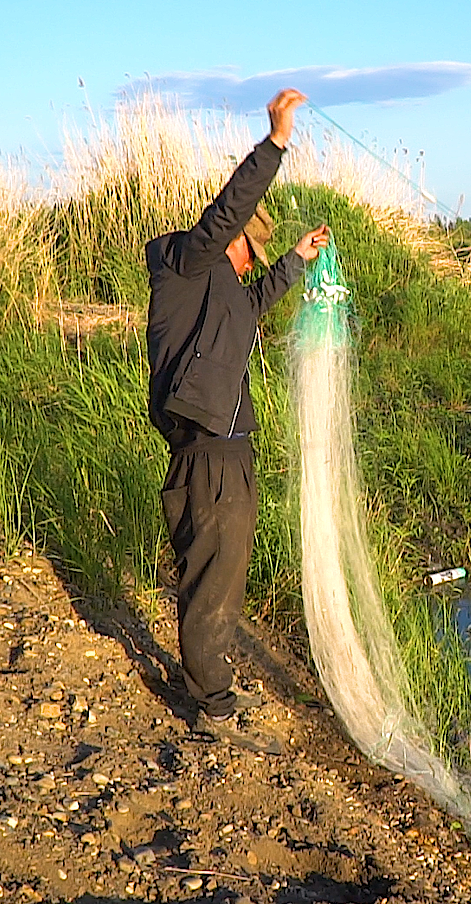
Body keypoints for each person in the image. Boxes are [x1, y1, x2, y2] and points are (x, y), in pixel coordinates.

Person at [144, 87, 330, 730]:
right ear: (233, 242)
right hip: (205, 450)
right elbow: (226, 214)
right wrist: (275, 144)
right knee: (211, 575)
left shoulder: (224, 291)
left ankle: (210, 683)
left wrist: (295, 261)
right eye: (253, 251)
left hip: (230, 446)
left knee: (225, 570)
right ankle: (211, 706)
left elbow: (253, 306)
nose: (253, 264)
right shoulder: (186, 264)